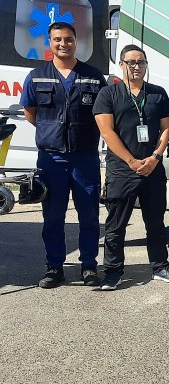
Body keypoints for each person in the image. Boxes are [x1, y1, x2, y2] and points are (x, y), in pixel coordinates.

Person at [20, 22, 106, 288]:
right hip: (52, 159)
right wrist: (52, 133)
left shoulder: (93, 76)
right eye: (57, 39)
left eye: (68, 39)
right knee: (53, 216)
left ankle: (89, 266)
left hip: (85, 158)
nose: (63, 44)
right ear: (50, 42)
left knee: (89, 216)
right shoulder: (36, 76)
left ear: (76, 41)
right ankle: (54, 267)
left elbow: (103, 114)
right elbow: (30, 113)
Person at [93, 44, 169, 290]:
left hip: (153, 168)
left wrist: (155, 156)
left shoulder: (157, 94)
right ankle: (112, 271)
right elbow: (107, 131)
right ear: (121, 64)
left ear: (145, 65)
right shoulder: (108, 94)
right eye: (130, 62)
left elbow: (166, 128)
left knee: (155, 222)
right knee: (116, 225)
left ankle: (160, 267)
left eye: (140, 62)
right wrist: (131, 161)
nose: (136, 67)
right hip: (122, 170)